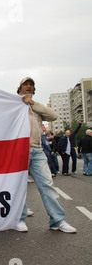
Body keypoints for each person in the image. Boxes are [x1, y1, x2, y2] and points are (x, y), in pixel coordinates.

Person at [15, 77, 76, 233]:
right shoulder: (13, 104)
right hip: (19, 150)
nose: (28, 86)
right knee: (18, 187)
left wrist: (33, 104)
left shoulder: (36, 107)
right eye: (25, 84)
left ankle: (57, 221)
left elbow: (53, 116)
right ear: (20, 88)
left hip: (37, 150)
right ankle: (19, 218)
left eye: (31, 85)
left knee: (47, 185)